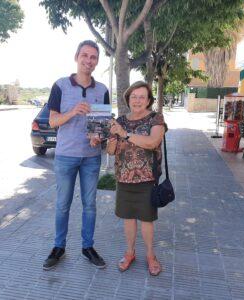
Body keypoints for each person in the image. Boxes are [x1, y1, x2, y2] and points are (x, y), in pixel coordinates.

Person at [43, 40, 110, 271]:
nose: (88, 60)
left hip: (91, 157)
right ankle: (58, 247)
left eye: (93, 57)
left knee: (90, 205)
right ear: (76, 57)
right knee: (63, 204)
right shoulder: (60, 85)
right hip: (65, 156)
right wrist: (72, 111)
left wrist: (98, 138)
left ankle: (87, 247)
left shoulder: (102, 90)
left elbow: (102, 127)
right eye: (85, 55)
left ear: (97, 61)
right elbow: (52, 121)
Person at [106, 81, 166, 276]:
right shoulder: (121, 120)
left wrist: (124, 134)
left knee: (147, 220)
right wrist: (112, 137)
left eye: (142, 97)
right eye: (134, 96)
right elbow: (110, 151)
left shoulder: (155, 119)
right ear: (128, 99)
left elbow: (152, 142)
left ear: (149, 100)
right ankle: (130, 252)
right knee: (128, 218)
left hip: (147, 179)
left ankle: (150, 255)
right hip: (124, 178)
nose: (138, 100)